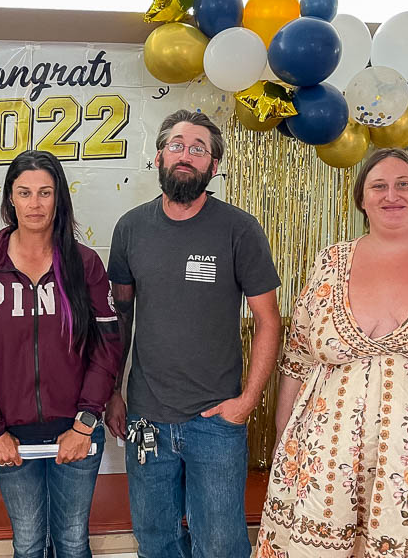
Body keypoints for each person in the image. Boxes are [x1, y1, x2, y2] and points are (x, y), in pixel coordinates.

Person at [106, 109, 282, 558]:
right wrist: (113, 393)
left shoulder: (239, 229)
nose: (186, 155)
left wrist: (246, 403)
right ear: (160, 156)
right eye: (178, 145)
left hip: (216, 422)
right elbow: (119, 319)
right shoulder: (130, 228)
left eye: (198, 149)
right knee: (155, 541)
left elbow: (269, 321)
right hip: (146, 418)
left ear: (214, 166)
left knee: (220, 546)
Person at [256, 148, 408, 557]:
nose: (392, 194)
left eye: (404, 183)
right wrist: (285, 436)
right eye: (379, 186)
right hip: (326, 459)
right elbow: (298, 355)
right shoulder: (332, 261)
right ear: (362, 199)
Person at [0, 150, 121, 558]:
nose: (35, 203)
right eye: (24, 192)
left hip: (77, 431)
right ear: (10, 197)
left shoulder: (84, 265)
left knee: (72, 541)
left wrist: (85, 423)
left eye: (45, 192)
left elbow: (106, 346)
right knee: (27, 543)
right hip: (11, 437)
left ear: (59, 198)